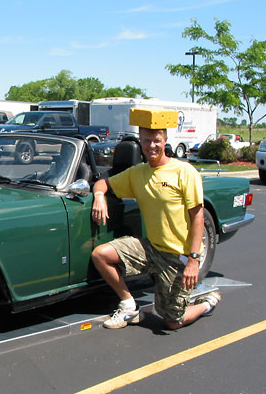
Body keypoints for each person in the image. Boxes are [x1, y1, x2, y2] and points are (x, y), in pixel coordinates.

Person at [90, 108, 221, 330]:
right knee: (100, 254)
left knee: (171, 321)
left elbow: (198, 217)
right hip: (150, 248)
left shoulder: (184, 172)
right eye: (146, 141)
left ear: (165, 141)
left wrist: (193, 260)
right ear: (140, 142)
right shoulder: (137, 173)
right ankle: (129, 306)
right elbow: (103, 183)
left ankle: (206, 303)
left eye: (157, 141)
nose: (152, 146)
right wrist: (99, 196)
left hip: (177, 256)